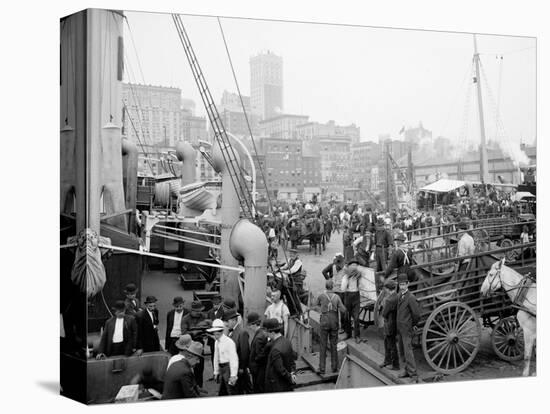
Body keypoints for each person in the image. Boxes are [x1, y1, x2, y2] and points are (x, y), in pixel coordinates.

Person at [313, 280, 346, 374]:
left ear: (326, 287)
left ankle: (322, 368)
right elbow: (343, 310)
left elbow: (315, 305)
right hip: (334, 321)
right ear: (333, 287)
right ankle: (334, 367)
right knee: (333, 345)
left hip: (324, 320)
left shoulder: (321, 296)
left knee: (323, 345)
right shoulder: (337, 297)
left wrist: (322, 308)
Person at [396, 274, 421, 381]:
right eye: (400, 284)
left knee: (408, 350)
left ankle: (413, 374)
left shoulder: (411, 297)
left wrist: (413, 324)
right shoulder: (400, 295)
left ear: (408, 284)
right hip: (400, 328)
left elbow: (416, 314)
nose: (402, 287)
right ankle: (406, 370)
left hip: (407, 328)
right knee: (402, 350)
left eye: (403, 285)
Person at [264, 319, 297, 393]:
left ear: (272, 332)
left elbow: (280, 369)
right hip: (286, 385)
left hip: (277, 386)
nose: (267, 334)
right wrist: (293, 373)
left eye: (267, 332)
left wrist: (290, 377)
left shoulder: (275, 349)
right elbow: (292, 361)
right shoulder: (287, 342)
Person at [208, 319, 239, 396]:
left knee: (231, 391)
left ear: (222, 331)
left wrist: (233, 375)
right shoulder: (216, 342)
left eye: (218, 333)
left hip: (228, 368)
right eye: (214, 333)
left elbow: (233, 359)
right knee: (222, 391)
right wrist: (216, 372)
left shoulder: (229, 342)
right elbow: (216, 357)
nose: (216, 336)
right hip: (221, 368)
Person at [181, 300, 208, 387]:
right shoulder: (185, 319)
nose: (198, 313)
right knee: (188, 369)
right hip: (189, 347)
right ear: (191, 310)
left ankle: (199, 387)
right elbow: (184, 333)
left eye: (200, 311)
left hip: (200, 345)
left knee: (200, 368)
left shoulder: (204, 316)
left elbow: (208, 328)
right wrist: (194, 332)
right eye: (196, 311)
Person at [224, 307, 251, 394]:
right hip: (233, 367)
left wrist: (242, 368)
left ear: (233, 320)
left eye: (226, 321)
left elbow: (244, 352)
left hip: (239, 368)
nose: (226, 324)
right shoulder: (231, 331)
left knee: (242, 389)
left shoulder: (242, 332)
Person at [341, 259, 366, 343]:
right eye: (353, 265)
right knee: (347, 316)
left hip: (356, 296)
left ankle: (357, 336)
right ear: (349, 266)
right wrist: (347, 280)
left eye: (356, 265)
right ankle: (348, 333)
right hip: (348, 296)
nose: (354, 267)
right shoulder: (346, 276)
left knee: (356, 317)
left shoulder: (359, 276)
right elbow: (343, 288)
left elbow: (362, 286)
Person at [379, 279, 400, 370]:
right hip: (395, 323)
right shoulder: (397, 296)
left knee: (391, 345)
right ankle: (387, 360)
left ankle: (395, 365)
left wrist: (383, 304)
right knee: (388, 342)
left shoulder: (389, 300)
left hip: (389, 325)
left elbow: (384, 314)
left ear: (387, 289)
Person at [248, 312, 269, 393]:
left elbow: (259, 355)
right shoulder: (261, 333)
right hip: (259, 369)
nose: (249, 327)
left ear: (254, 324)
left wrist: (253, 363)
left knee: (258, 389)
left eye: (250, 325)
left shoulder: (258, 337)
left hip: (258, 369)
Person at [207, 293, 224, 367]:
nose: (215, 304)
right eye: (214, 302)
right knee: (213, 356)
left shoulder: (224, 312)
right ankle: (215, 373)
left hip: (221, 338)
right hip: (212, 339)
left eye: (217, 302)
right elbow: (207, 326)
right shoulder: (209, 312)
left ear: (220, 302)